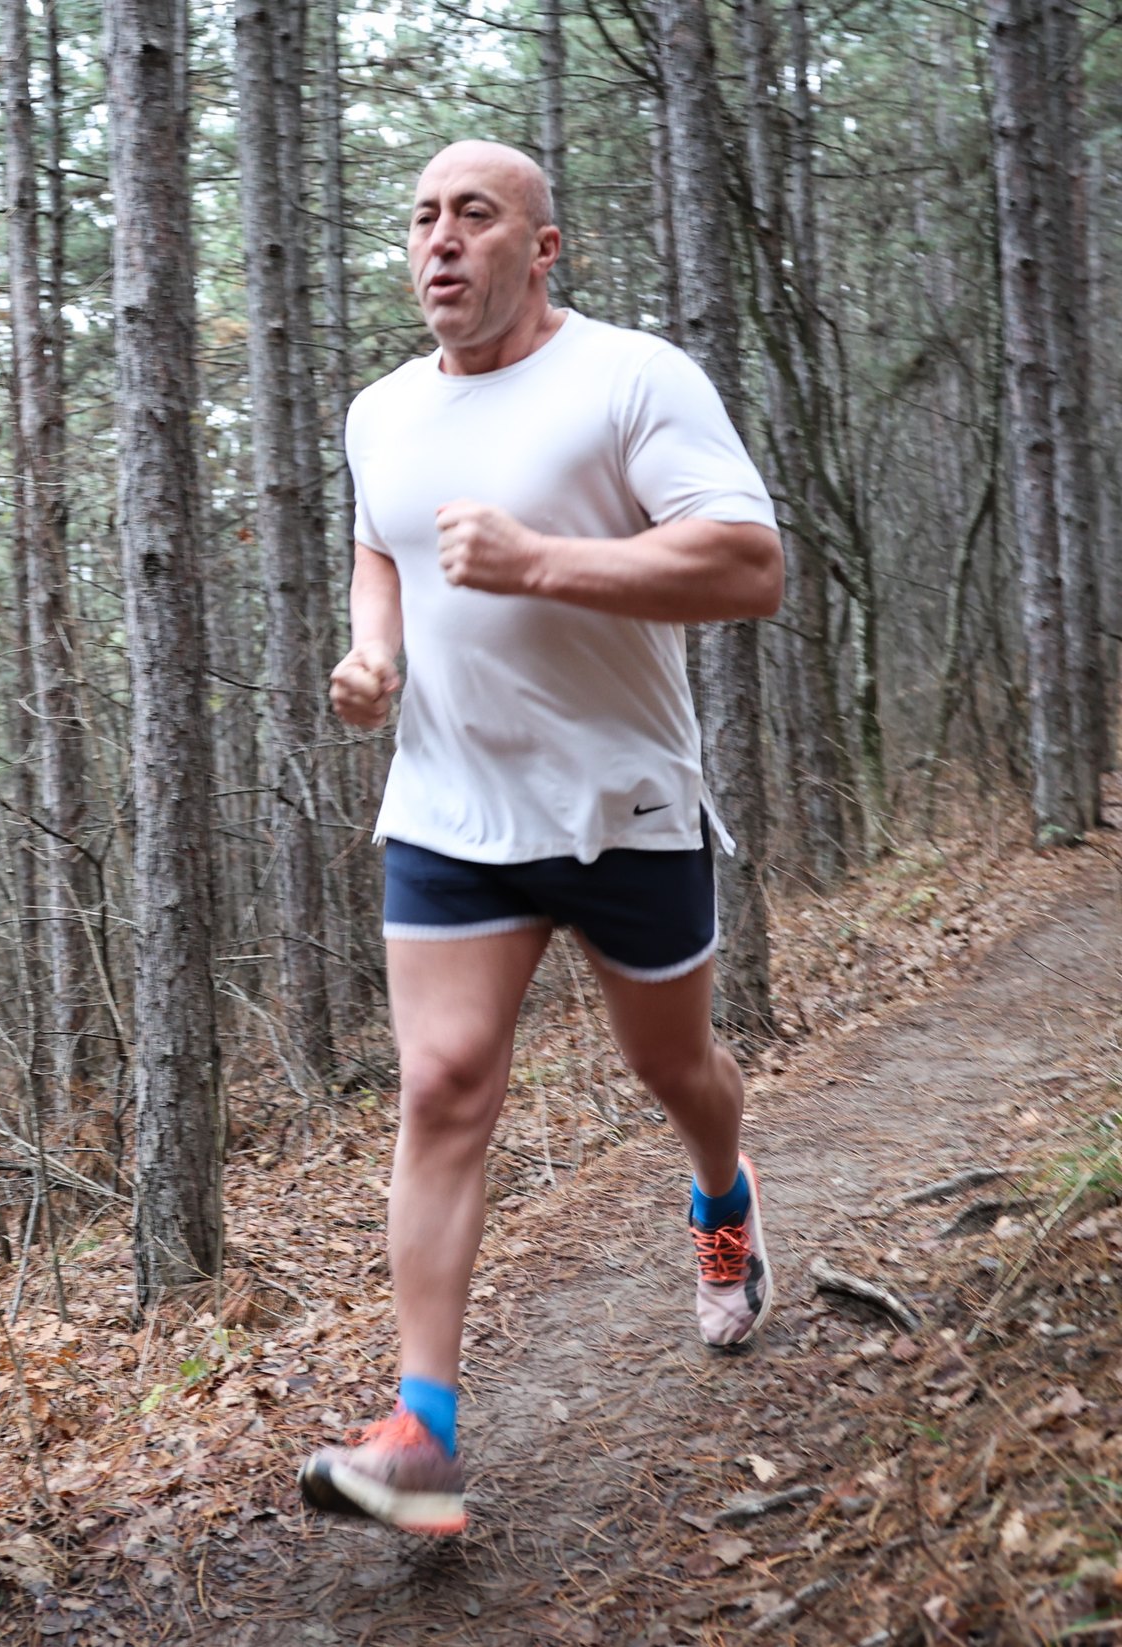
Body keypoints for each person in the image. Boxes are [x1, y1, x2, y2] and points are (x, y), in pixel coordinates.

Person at [297, 139, 784, 1538]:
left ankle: (722, 1196)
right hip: (451, 808)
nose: (441, 241)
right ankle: (423, 1435)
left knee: (672, 1066)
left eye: (476, 215)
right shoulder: (379, 411)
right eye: (422, 217)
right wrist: (373, 651)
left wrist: (543, 562)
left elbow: (750, 566)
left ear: (541, 246)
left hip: (622, 802)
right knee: (443, 1084)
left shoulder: (633, 380)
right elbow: (383, 540)